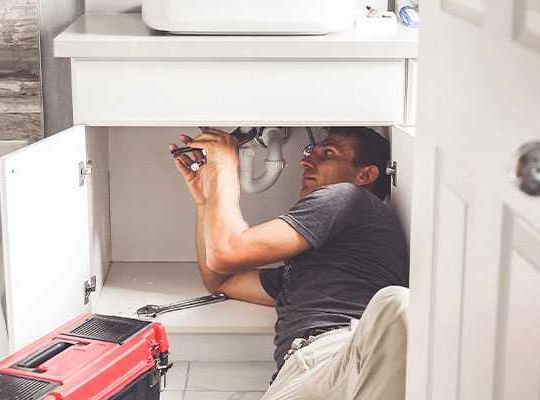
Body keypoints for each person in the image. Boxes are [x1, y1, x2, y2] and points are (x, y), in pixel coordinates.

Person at [169, 126, 410, 399]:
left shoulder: (348, 197)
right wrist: (207, 200)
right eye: (312, 152)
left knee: (398, 304)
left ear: (364, 174)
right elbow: (221, 278)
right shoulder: (303, 273)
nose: (306, 161)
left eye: (328, 153)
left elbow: (226, 253)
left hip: (346, 357)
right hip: (294, 376)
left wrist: (226, 168)